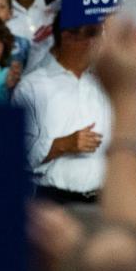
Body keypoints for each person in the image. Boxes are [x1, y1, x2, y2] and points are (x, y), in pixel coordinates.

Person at [13, 17, 111, 202]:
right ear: (68, 37)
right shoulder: (32, 87)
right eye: (92, 33)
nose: (100, 42)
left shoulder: (103, 86)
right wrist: (64, 144)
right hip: (56, 203)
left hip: (104, 201)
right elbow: (17, 154)